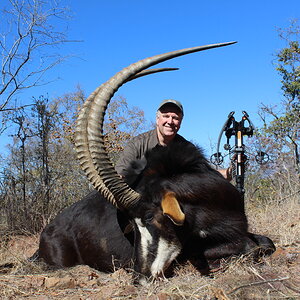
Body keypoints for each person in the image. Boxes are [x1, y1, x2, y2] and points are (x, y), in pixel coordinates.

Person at [115, 99, 231, 183]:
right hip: (142, 200)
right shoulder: (137, 144)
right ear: (157, 119)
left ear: (180, 122)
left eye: (175, 118)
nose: (170, 121)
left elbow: (205, 175)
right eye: (166, 116)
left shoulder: (187, 148)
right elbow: (120, 173)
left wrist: (230, 172)